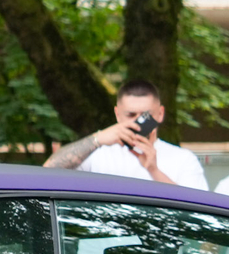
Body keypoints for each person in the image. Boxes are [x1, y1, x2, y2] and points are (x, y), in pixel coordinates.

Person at [45, 80, 208, 188]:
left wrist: (154, 171)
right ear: (117, 114)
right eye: (130, 115)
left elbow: (199, 215)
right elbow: (48, 171)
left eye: (145, 116)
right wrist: (97, 139)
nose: (137, 123)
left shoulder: (183, 159)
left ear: (160, 114)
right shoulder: (98, 153)